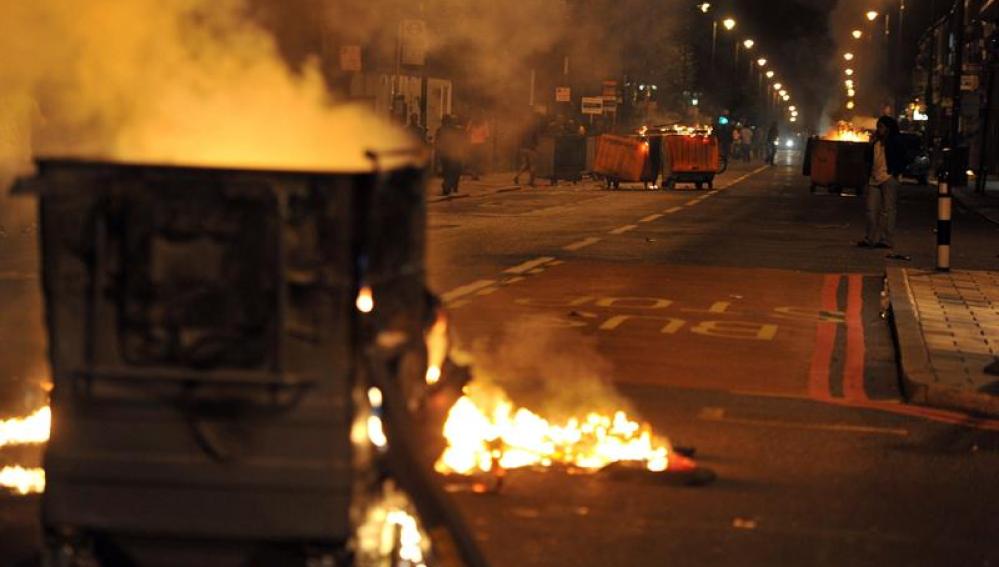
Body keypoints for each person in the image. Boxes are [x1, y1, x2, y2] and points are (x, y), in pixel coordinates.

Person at [858, 115, 905, 249]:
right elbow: (867, 158)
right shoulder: (875, 142)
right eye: (878, 127)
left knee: (888, 211)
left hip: (888, 178)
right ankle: (870, 238)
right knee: (871, 210)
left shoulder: (895, 141)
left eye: (881, 127)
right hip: (874, 178)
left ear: (888, 128)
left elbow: (904, 157)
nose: (879, 129)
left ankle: (886, 239)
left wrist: (894, 172)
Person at [435, 115, 466, 196]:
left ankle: (450, 186)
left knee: (449, 171)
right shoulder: (453, 130)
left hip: (450, 154)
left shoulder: (444, 130)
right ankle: (449, 187)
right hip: (450, 154)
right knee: (452, 171)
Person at [514, 116, 541, 187]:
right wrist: (536, 148)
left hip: (523, 149)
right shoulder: (534, 129)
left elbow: (519, 139)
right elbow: (536, 141)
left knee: (525, 164)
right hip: (530, 149)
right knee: (533, 165)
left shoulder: (523, 129)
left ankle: (517, 176)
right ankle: (531, 182)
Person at [466, 114, 491, 180]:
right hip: (481, 144)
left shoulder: (472, 122)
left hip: (473, 143)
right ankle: (476, 174)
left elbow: (467, 131)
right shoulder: (484, 123)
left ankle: (474, 174)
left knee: (473, 160)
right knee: (479, 160)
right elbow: (487, 135)